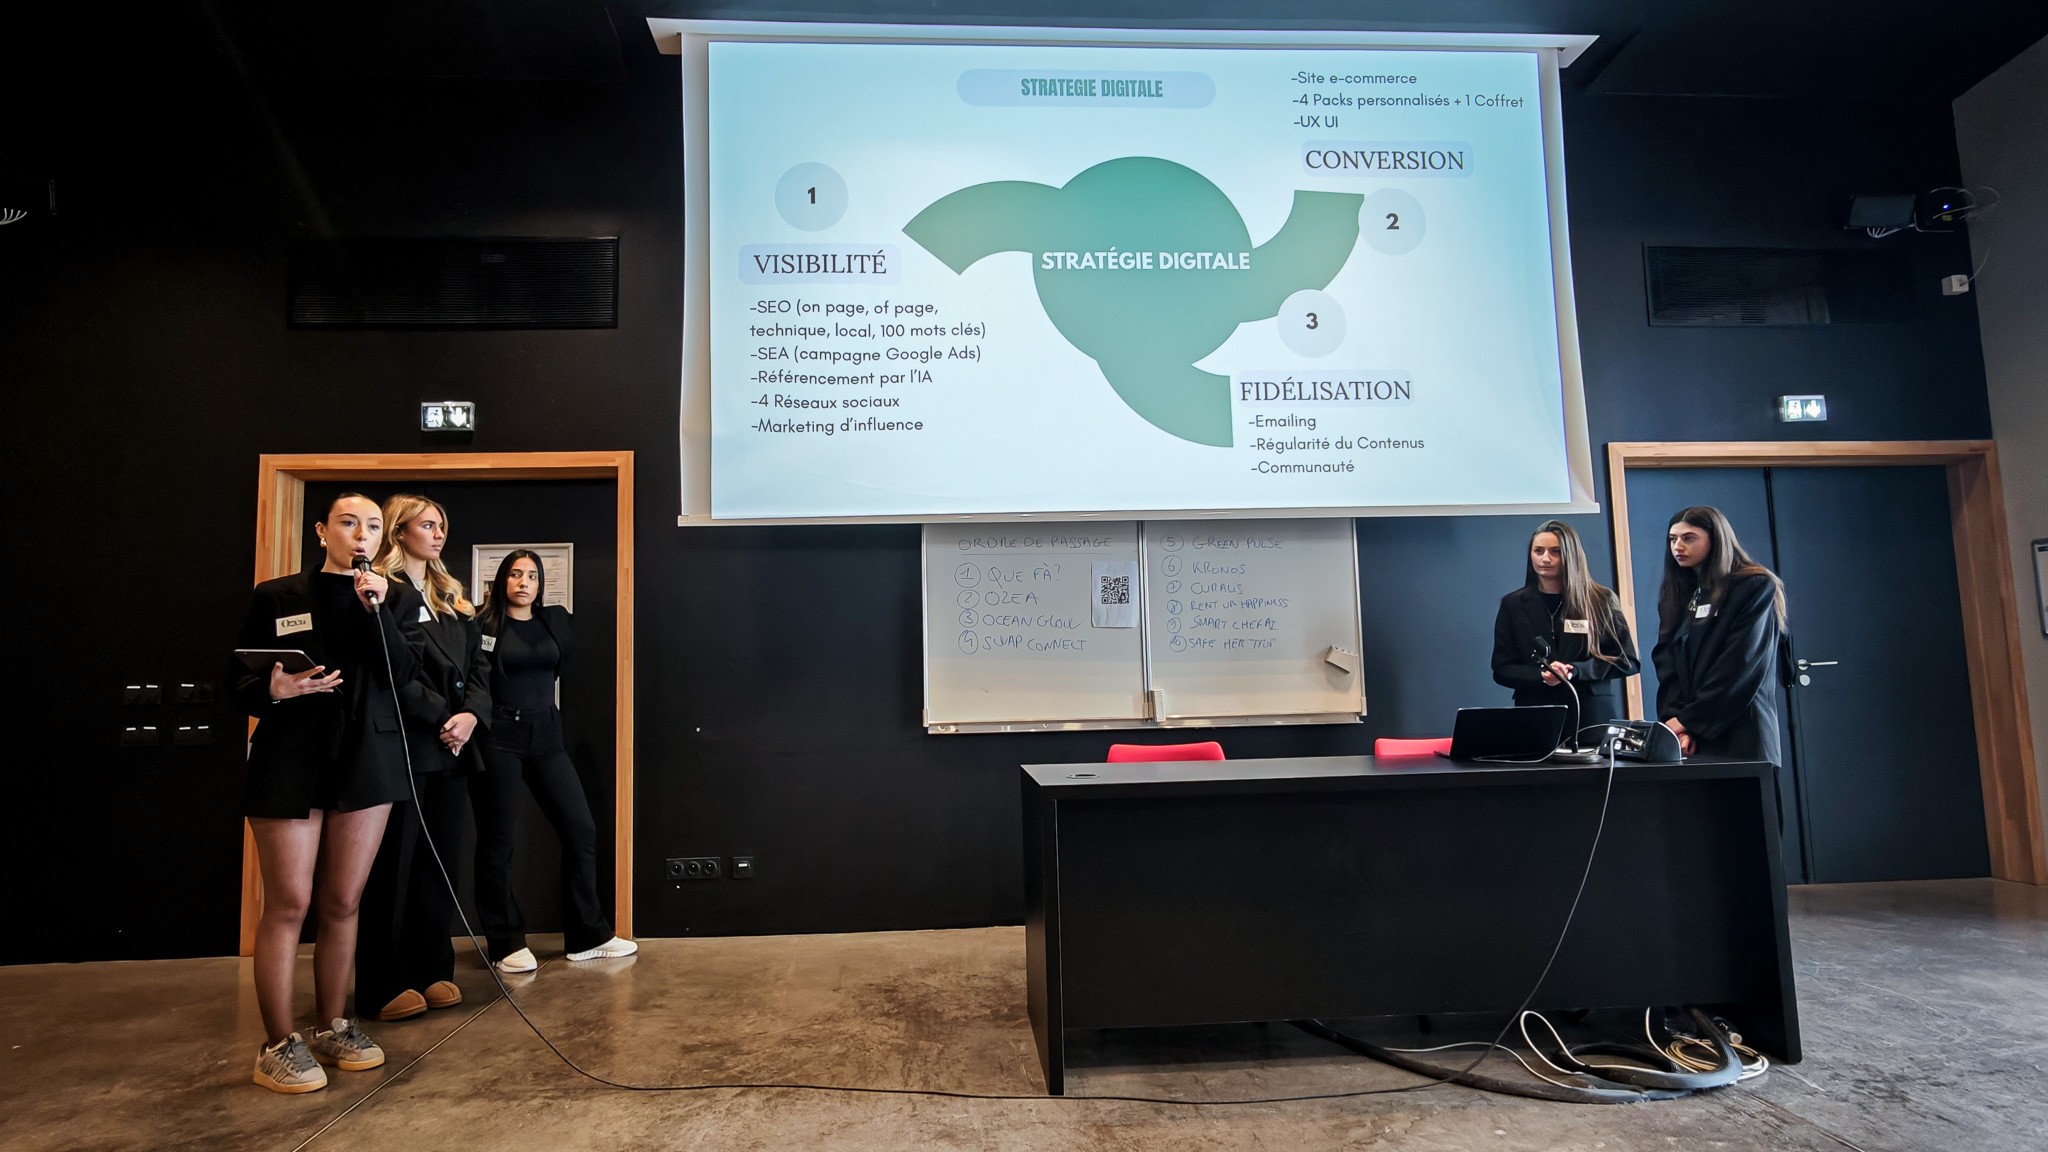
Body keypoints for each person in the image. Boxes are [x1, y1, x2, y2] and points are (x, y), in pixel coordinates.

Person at [230, 493, 426, 1093]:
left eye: (372, 526)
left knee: (343, 900)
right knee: (290, 901)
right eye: (348, 522)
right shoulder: (278, 595)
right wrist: (275, 691)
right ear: (322, 531)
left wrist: (377, 610)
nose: (361, 534)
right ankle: (277, 1043)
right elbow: (238, 681)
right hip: (290, 755)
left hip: (367, 758)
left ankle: (333, 1025)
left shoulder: (394, 596)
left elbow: (406, 674)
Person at [354, 494, 492, 1023]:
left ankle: (432, 969)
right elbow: (395, 672)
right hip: (408, 745)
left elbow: (480, 668)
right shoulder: (382, 591)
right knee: (395, 867)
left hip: (455, 748)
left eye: (441, 526)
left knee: (439, 863)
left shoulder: (452, 596)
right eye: (427, 525)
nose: (438, 535)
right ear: (399, 532)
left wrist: (471, 715)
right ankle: (384, 983)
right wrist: (443, 716)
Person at [473, 550, 635, 972]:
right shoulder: (483, 624)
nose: (523, 582)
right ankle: (505, 943)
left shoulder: (554, 621)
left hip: (546, 734)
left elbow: (566, 658)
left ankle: (587, 937)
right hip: (499, 736)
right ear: (501, 581)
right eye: (515, 574)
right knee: (498, 841)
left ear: (540, 584)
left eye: (531, 576)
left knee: (581, 829)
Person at [1651, 506, 1789, 761]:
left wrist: (1688, 720)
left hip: (1741, 734)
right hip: (1690, 737)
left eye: (1688, 538)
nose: (1678, 546)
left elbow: (1740, 665)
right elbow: (1667, 662)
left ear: (1716, 539)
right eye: (1672, 539)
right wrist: (1677, 721)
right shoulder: (1679, 593)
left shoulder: (1754, 586)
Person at [1491, 520, 1640, 746]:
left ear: (1571, 555)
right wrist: (1542, 675)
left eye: (1555, 552)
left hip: (1590, 717)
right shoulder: (1513, 605)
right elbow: (1501, 668)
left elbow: (1627, 661)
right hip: (1536, 717)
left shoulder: (1600, 600)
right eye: (1538, 551)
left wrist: (1575, 671)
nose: (1545, 559)